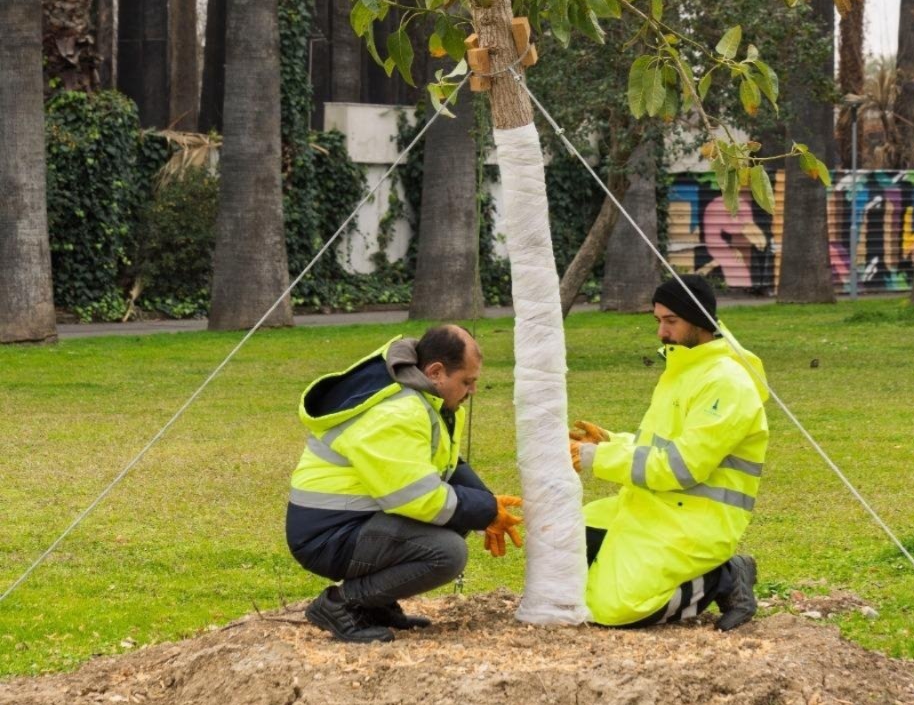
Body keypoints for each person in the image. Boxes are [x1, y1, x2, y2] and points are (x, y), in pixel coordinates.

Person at [287, 324, 522, 644]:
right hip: (328, 534)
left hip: (347, 520)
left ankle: (376, 604)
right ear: (437, 371)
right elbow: (416, 497)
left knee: (456, 520)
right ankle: (342, 604)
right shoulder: (400, 410)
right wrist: (485, 509)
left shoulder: (423, 395)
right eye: (467, 381)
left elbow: (443, 464)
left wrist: (486, 503)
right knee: (447, 553)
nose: (473, 391)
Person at [569, 274, 767, 631]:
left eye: (670, 321)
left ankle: (724, 576)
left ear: (699, 320)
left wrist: (594, 458)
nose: (661, 332)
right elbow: (660, 447)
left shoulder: (726, 382)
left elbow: (679, 467)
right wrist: (609, 442)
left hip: (693, 522)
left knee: (616, 608)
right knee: (563, 539)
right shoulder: (683, 368)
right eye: (658, 320)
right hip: (653, 505)